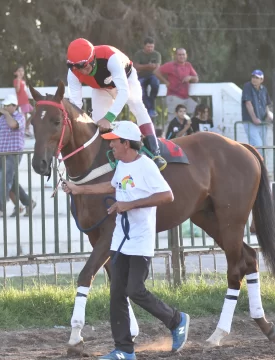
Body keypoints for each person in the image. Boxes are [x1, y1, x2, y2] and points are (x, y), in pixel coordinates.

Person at [62, 121, 190, 360]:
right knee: (117, 293)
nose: (110, 144)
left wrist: (129, 204)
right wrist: (77, 189)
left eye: (114, 140)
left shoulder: (147, 167)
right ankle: (124, 350)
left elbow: (167, 195)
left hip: (140, 240)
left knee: (135, 290)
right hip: (120, 240)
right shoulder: (120, 164)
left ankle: (176, 319)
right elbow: (110, 186)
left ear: (127, 143)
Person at [66, 38, 166, 171]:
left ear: (92, 59)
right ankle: (109, 155)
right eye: (75, 67)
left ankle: (155, 152)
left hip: (126, 80)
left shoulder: (110, 58)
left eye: (83, 66)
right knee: (97, 120)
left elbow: (123, 92)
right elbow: (76, 105)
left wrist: (109, 118)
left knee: (137, 106)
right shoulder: (73, 72)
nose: (80, 71)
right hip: (101, 88)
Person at [0, 94, 36, 217]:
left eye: (8, 105)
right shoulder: (0, 120)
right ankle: (29, 202)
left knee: (4, 181)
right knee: (10, 182)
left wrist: (6, 114)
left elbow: (13, 125)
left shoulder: (20, 117)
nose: (6, 107)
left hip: (12, 154)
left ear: (15, 106)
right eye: (5, 105)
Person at [154, 48, 199, 125]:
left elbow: (196, 78)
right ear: (175, 56)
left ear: (186, 55)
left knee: (196, 110)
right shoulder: (170, 65)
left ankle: (188, 134)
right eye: (179, 54)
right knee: (172, 120)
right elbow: (156, 71)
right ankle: (169, 137)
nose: (182, 56)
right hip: (174, 96)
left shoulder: (188, 65)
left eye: (183, 54)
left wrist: (190, 77)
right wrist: (165, 82)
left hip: (186, 97)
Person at [241, 69, 273, 155]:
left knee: (263, 147)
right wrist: (254, 119)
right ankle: (257, 167)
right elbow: (248, 103)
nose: (254, 79)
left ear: (261, 80)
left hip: (262, 123)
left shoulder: (264, 89)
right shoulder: (247, 86)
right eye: (253, 77)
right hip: (251, 122)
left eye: (257, 77)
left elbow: (266, 104)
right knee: (257, 146)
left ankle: (260, 166)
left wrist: (268, 115)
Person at [133, 37, 161, 118]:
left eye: (152, 47)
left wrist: (143, 66)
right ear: (144, 46)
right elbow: (136, 67)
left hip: (153, 75)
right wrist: (148, 66)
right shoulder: (138, 54)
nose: (150, 49)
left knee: (155, 84)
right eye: (148, 47)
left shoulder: (156, 54)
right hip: (141, 76)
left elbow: (157, 67)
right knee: (142, 91)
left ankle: (151, 107)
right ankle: (150, 109)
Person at [13, 65, 33, 137]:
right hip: (22, 102)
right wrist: (18, 79)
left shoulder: (23, 81)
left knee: (34, 113)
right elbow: (17, 90)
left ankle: (26, 128)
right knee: (24, 117)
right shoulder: (16, 80)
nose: (21, 72)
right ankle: (24, 130)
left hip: (26, 101)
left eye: (22, 71)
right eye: (19, 71)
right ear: (15, 73)